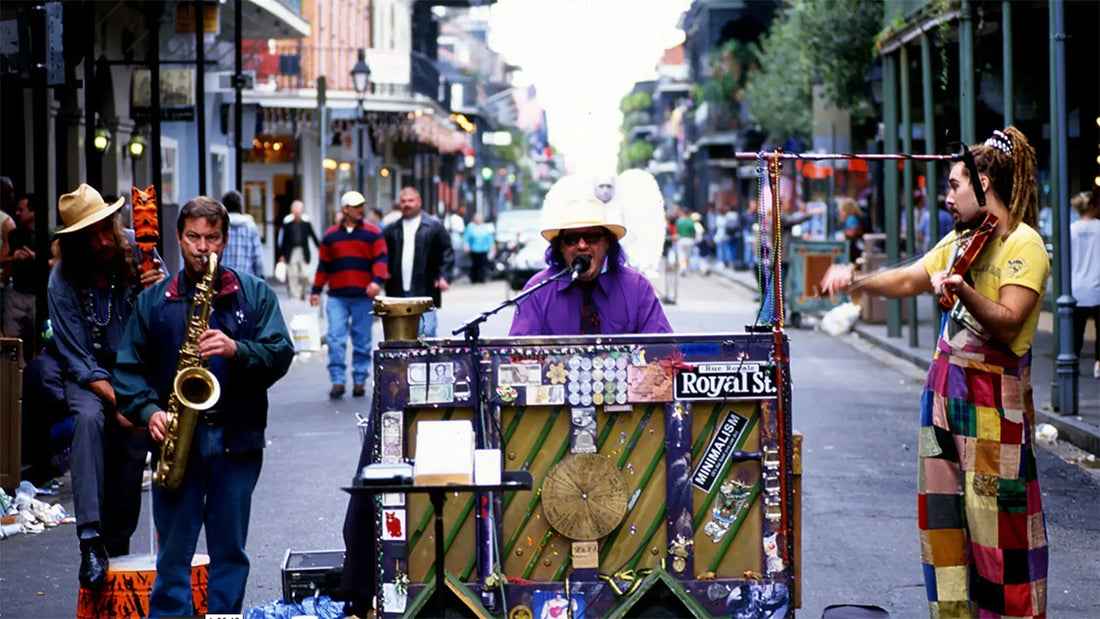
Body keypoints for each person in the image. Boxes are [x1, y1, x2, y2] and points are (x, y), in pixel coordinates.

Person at [821, 126, 1048, 617]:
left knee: (997, 536)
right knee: (944, 528)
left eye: (954, 185)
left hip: (992, 406)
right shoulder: (961, 240)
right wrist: (855, 279)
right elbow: (909, 277)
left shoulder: (1023, 245)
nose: (947, 197)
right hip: (944, 399)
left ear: (984, 184)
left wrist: (963, 289)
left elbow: (1009, 324)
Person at [114, 196, 294, 617]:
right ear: (179, 239)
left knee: (230, 551)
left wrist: (238, 349)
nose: (203, 247)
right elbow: (127, 369)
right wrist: (148, 412)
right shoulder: (154, 301)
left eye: (212, 237)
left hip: (237, 437)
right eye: (193, 237)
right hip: (177, 437)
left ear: (225, 240)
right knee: (173, 555)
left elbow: (280, 353)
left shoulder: (254, 294)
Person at [47, 184, 166, 587]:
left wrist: (158, 292)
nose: (101, 241)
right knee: (88, 419)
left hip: (133, 366)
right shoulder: (61, 279)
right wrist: (119, 401)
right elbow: (76, 357)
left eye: (105, 229)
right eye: (90, 236)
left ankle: (121, 544)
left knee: (133, 448)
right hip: (88, 371)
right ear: (74, 243)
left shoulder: (138, 249)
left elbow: (167, 312)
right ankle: (90, 541)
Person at [510, 196, 672, 336]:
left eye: (592, 237)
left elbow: (663, 351)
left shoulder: (636, 287)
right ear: (561, 247)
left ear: (608, 242)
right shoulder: (538, 290)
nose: (581, 245)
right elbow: (517, 360)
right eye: (572, 239)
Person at [310, 190, 388, 399]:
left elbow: (381, 259)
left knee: (362, 339)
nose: (361, 210)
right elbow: (323, 265)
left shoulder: (373, 233)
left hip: (363, 295)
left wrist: (376, 281)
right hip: (337, 295)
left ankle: (360, 379)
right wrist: (316, 290)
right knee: (335, 338)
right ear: (345, 209)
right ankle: (337, 380)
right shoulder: (331, 235)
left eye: (362, 205)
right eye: (356, 206)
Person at [382, 187, 453, 337]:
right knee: (399, 335)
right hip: (397, 289)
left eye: (410, 200)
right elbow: (383, 253)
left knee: (426, 331)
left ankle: (426, 360)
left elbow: (446, 252)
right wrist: (383, 271)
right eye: (403, 201)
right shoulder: (392, 229)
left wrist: (444, 277)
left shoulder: (434, 226)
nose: (406, 204)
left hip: (425, 287)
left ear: (419, 202)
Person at [2, 194, 38, 357]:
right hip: (17, 293)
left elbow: (56, 260)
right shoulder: (15, 234)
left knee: (43, 337)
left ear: (33, 212)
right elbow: (2, 258)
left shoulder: (47, 234)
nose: (17, 213)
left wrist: (34, 257)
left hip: (38, 294)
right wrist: (13, 257)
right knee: (10, 340)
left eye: (21, 209)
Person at [1070, 189, 1100, 378]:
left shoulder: (1071, 230)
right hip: (1097, 287)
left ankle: (1073, 364)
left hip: (1076, 287)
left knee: (1075, 333)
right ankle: (1098, 365)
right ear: (1092, 205)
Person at [277, 199, 320, 301]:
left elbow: (313, 236)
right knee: (292, 274)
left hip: (303, 250)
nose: (298, 212)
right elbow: (282, 239)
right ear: (292, 211)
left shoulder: (306, 222)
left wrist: (320, 248)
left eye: (300, 210)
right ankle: (294, 295)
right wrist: (282, 254)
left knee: (306, 274)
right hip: (291, 251)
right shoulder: (287, 223)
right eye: (296, 209)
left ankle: (302, 292)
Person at [220, 190, 265, 279]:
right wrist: (261, 277)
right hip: (245, 280)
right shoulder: (250, 226)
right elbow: (257, 257)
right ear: (240, 206)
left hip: (223, 279)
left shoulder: (220, 226)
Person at [462, 212, 494, 284]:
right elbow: (466, 237)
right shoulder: (470, 227)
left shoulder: (486, 227)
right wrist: (466, 245)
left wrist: (492, 246)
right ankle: (474, 278)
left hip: (483, 248)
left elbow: (490, 237)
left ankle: (482, 278)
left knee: (483, 264)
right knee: (474, 264)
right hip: (474, 249)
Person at [835, 197, 864, 263]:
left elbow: (851, 233)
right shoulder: (852, 218)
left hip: (854, 251)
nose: (840, 213)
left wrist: (843, 235)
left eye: (842, 210)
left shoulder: (851, 219)